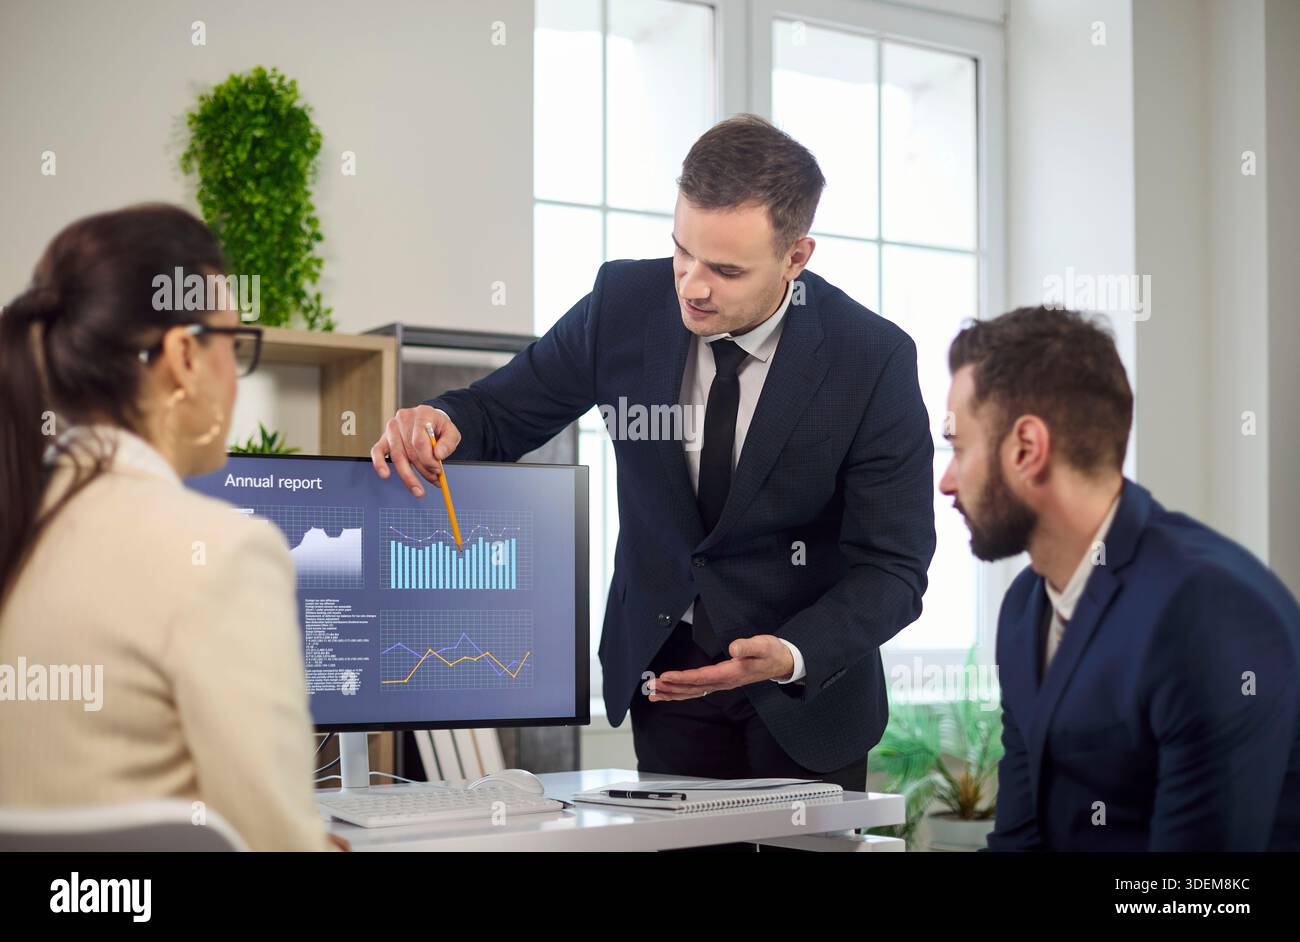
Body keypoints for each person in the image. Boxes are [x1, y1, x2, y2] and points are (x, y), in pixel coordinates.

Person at [371, 115, 936, 791]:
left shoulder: (871, 359)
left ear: (796, 257)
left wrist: (790, 653)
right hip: (665, 681)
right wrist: (442, 418)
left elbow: (894, 568)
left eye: (725, 270)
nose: (693, 286)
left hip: (806, 698)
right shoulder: (623, 305)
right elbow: (499, 413)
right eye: (682, 251)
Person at [0, 204, 341, 851]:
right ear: (184, 355)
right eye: (234, 347)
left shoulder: (20, 519)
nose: (234, 380)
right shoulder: (223, 554)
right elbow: (279, 843)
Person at [940, 305, 1300, 850]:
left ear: (1026, 449)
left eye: (959, 449)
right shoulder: (1023, 607)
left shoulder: (1210, 610)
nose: (946, 482)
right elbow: (1019, 840)